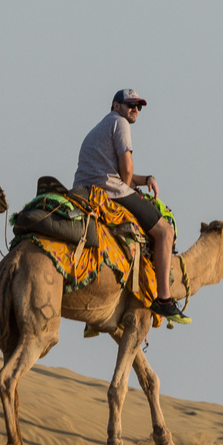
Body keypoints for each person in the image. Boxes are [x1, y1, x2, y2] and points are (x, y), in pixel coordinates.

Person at [73, 89, 187, 324]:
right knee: (165, 231)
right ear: (116, 106)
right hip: (108, 192)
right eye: (130, 105)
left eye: (139, 106)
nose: (135, 109)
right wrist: (131, 189)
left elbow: (117, 171)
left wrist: (145, 179)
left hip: (84, 189)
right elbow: (125, 171)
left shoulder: (100, 128)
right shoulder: (121, 124)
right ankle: (164, 299)